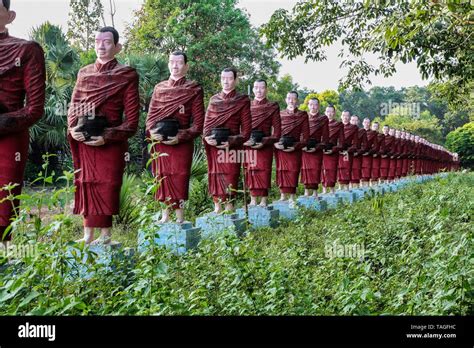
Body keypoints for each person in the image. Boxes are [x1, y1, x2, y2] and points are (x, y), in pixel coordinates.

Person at [68, 27, 140, 244]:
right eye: (98, 41)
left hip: (109, 142)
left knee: (107, 184)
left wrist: (108, 136)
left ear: (117, 47)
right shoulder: (84, 73)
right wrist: (73, 128)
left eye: (107, 42)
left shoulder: (126, 75)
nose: (101, 45)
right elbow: (74, 106)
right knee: (87, 182)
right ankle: (87, 234)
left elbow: (132, 121)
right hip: (85, 140)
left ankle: (106, 235)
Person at [0, 0, 45, 245]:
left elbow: (35, 108)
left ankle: (4, 261)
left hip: (9, 137)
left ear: (10, 15)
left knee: (4, 202)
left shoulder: (27, 50)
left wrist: (4, 121)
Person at [146, 51, 205, 223]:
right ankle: (164, 215)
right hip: (160, 141)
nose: (175, 66)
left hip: (181, 142)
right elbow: (150, 118)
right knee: (162, 176)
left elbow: (198, 124)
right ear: (168, 64)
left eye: (179, 62)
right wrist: (153, 132)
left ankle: (180, 217)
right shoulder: (159, 88)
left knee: (179, 176)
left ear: (186, 66)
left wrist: (181, 136)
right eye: (172, 62)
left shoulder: (193, 89)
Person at [203, 68, 251, 213]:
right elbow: (206, 127)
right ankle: (217, 208)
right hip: (215, 147)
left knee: (230, 176)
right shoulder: (214, 100)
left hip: (232, 148)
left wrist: (231, 140)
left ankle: (230, 209)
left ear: (236, 80)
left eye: (229, 78)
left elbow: (247, 132)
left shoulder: (242, 101)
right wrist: (207, 138)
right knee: (215, 175)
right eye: (223, 78)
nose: (226, 81)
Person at [243, 79, 281, 207]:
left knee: (264, 171)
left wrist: (265, 141)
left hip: (265, 145)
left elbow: (277, 133)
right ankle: (253, 199)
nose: (259, 91)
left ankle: (264, 199)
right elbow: (240, 127)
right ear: (253, 89)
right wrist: (245, 140)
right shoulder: (246, 106)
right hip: (249, 144)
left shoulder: (272, 107)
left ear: (266, 89)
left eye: (262, 88)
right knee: (251, 170)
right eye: (256, 88)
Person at [274, 91, 309, 205]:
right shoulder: (279, 114)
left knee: (293, 171)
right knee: (281, 170)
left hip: (295, 148)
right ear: (285, 100)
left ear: (297, 101)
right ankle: (282, 195)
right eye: (289, 98)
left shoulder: (302, 115)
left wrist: (296, 146)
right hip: (281, 147)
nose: (291, 101)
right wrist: (275, 144)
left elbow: (306, 136)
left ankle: (292, 197)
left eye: (294, 99)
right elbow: (274, 132)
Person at [301, 97, 328, 197]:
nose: (313, 107)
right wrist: (302, 145)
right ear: (308, 105)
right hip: (305, 148)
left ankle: (315, 192)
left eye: (315, 104)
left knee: (316, 170)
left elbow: (325, 137)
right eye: (311, 104)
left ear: (319, 106)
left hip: (317, 148)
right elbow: (300, 133)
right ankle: (306, 191)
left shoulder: (323, 119)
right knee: (305, 169)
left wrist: (318, 147)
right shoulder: (303, 117)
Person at [321, 105, 344, 194]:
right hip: (322, 150)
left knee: (332, 170)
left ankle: (332, 189)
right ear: (325, 113)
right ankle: (323, 189)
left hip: (333, 151)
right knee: (323, 170)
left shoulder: (338, 125)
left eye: (331, 112)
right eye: (327, 112)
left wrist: (334, 149)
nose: (329, 114)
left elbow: (341, 143)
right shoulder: (321, 124)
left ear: (334, 113)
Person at [338, 110, 358, 190]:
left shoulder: (353, 128)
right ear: (341, 116)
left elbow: (355, 143)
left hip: (347, 152)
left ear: (349, 117)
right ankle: (339, 186)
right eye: (344, 115)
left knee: (346, 168)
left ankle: (346, 187)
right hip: (337, 151)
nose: (345, 118)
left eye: (347, 116)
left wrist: (348, 150)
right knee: (338, 168)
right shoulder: (337, 126)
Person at [361, 119, 378, 187]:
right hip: (360, 154)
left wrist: (369, 152)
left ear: (370, 124)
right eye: (365, 122)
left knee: (368, 170)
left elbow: (375, 146)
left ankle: (368, 187)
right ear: (362, 123)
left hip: (369, 154)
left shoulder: (373, 133)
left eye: (368, 122)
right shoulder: (359, 131)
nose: (366, 124)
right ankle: (359, 187)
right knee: (359, 170)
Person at [349, 115, 366, 189]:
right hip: (348, 154)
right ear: (350, 121)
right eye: (352, 120)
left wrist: (358, 152)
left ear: (358, 122)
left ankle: (358, 187)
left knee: (357, 170)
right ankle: (348, 187)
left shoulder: (361, 132)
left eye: (356, 120)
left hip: (357, 154)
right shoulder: (346, 130)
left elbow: (364, 145)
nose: (354, 122)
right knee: (348, 170)